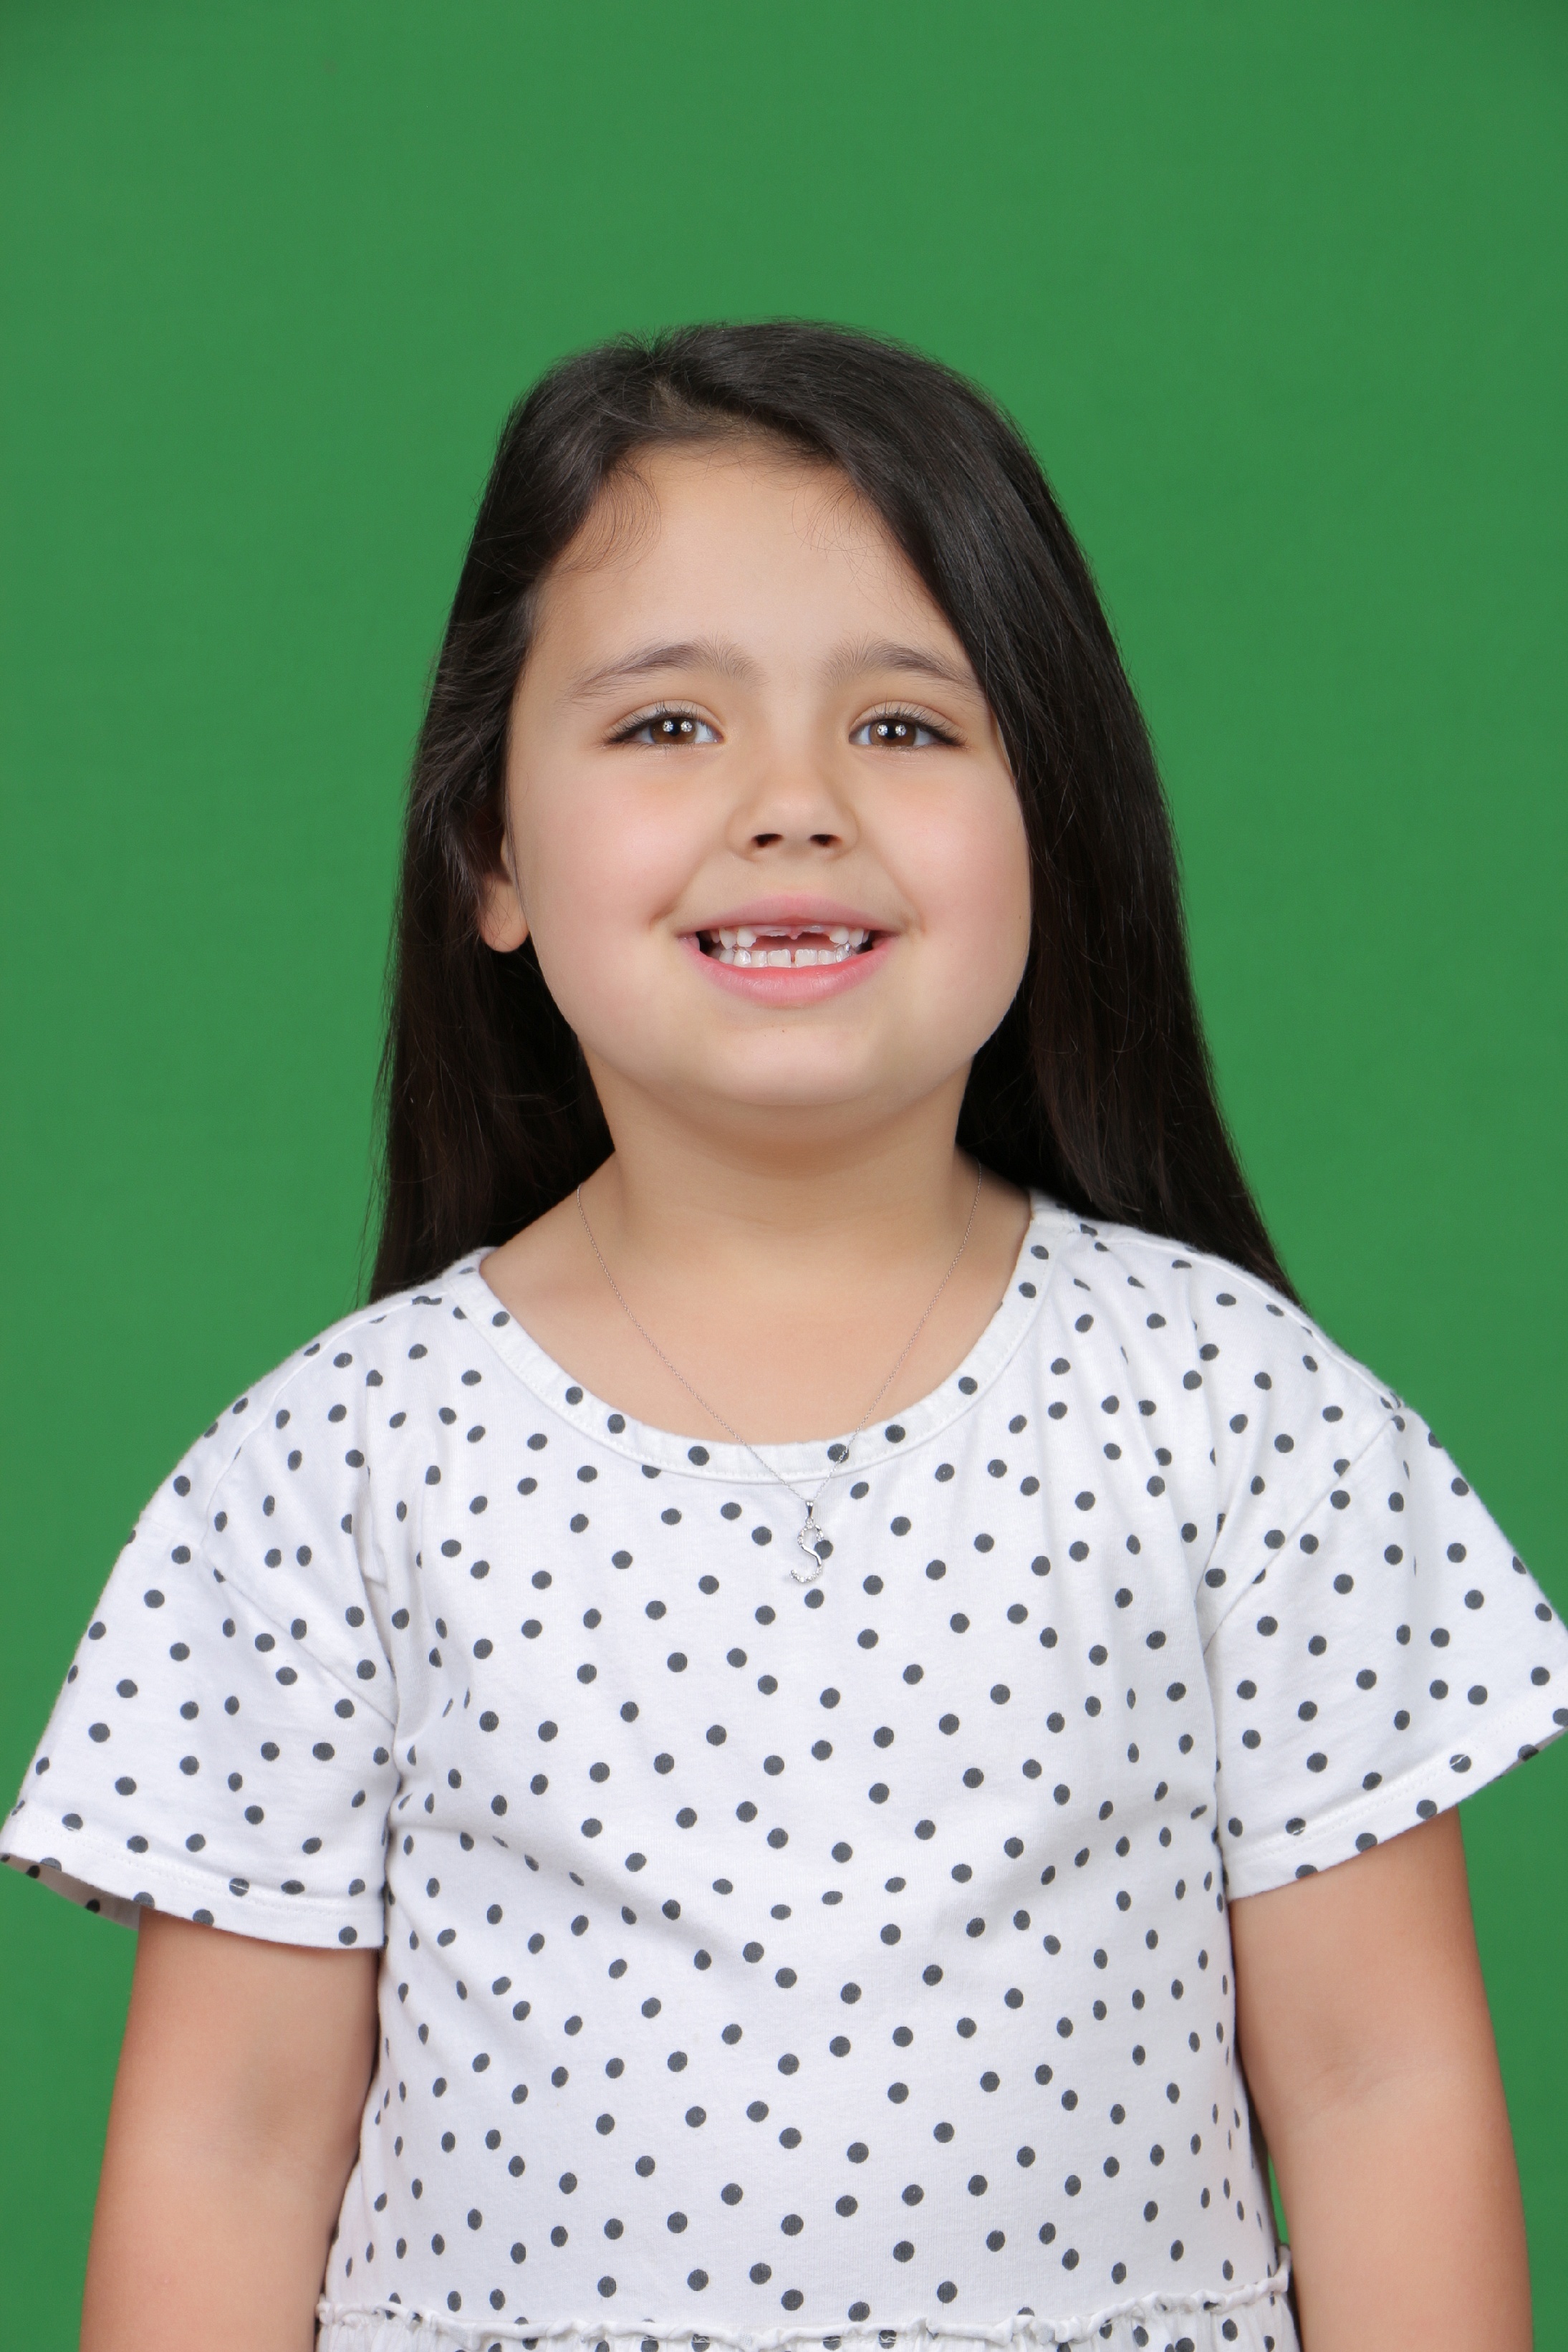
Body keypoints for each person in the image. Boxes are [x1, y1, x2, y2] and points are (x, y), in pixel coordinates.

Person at [6, 325, 1559, 2352]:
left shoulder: (1240, 1414)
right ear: (489, 852)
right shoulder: (337, 1463)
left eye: (906, 725)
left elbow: (1378, 2090)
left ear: (1053, 825)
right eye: (668, 724)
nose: (796, 805)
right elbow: (228, 2144)